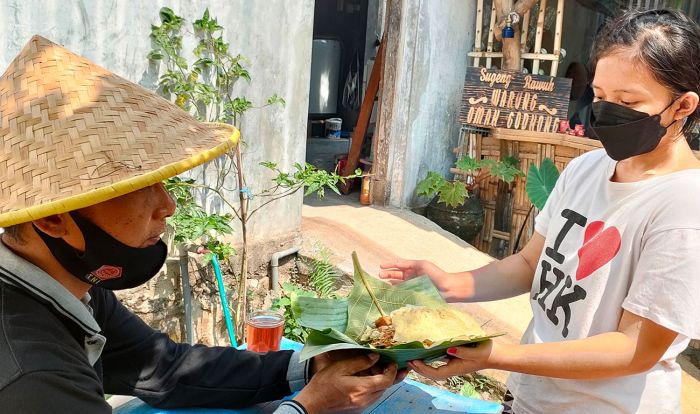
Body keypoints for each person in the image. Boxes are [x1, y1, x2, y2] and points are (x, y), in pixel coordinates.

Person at [0, 35, 399, 414]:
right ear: (53, 217)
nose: (168, 205)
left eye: (162, 182)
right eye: (137, 186)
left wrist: (309, 367)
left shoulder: (69, 284)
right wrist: (306, 407)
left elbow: (164, 368)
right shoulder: (32, 374)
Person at [380, 9, 700, 414]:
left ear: (682, 106)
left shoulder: (686, 207)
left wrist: (495, 356)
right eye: (600, 96)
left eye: (628, 101)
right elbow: (531, 263)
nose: (606, 111)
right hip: (531, 398)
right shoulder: (587, 168)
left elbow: (635, 349)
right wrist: (449, 283)